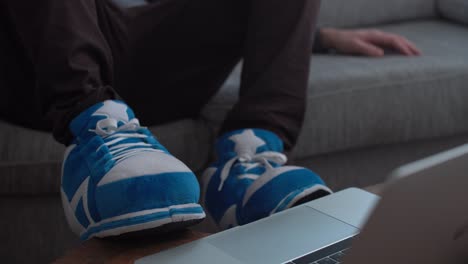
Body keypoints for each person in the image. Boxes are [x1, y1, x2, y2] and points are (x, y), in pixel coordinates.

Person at [0, 0, 420, 241]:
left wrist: (313, 35)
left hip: (122, 36)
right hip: (36, 60)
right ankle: (95, 129)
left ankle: (246, 162)